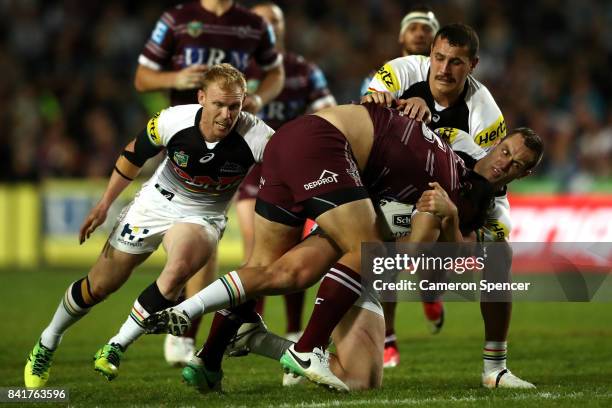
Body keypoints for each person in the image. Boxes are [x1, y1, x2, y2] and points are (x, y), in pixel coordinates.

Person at [142, 102, 528, 391]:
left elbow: (439, 269)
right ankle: (305, 347)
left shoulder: (489, 210)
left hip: (320, 173)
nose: (503, 163)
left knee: (354, 368)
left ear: (524, 175)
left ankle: (213, 358)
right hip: (328, 153)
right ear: (495, 145)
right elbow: (411, 261)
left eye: (516, 164)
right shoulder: (453, 166)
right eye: (505, 151)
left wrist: (450, 226)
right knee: (356, 253)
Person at [24, 64, 274, 389]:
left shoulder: (258, 137)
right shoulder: (172, 121)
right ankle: (48, 340)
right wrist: (103, 204)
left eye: (234, 106)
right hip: (155, 204)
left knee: (179, 269)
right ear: (202, 98)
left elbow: (293, 167)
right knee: (99, 285)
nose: (226, 114)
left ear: (243, 104)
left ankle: (116, 345)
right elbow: (133, 155)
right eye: (218, 104)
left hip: (202, 215)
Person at [363, 23, 534, 388]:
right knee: (361, 244)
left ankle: (495, 367)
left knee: (498, 258)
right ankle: (335, 340)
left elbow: (486, 178)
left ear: (472, 65)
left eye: (456, 62)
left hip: (452, 194)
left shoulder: (485, 116)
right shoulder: (401, 72)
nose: (443, 69)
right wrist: (396, 104)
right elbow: (367, 120)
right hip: (391, 185)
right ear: (429, 56)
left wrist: (455, 223)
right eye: (438, 58)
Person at [134, 0, 285, 365]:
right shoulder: (176, 18)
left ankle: (184, 334)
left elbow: (274, 71)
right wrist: (174, 79)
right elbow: (142, 78)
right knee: (181, 240)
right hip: (181, 138)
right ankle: (175, 322)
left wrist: (259, 98)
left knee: (206, 237)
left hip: (231, 139)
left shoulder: (252, 24)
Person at [236, 1, 337, 344]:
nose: (271, 27)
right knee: (257, 250)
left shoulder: (304, 70)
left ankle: (294, 329)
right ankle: (250, 322)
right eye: (263, 21)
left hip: (296, 169)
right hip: (251, 169)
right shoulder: (238, 72)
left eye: (276, 22)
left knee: (295, 250)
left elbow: (328, 111)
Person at [360, 4, 443, 368]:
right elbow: (366, 115)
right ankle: (388, 335)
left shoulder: (449, 80)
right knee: (389, 257)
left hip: (437, 175)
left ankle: (429, 291)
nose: (421, 33)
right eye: (415, 27)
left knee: (430, 249)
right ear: (402, 37)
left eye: (427, 28)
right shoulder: (383, 77)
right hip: (394, 177)